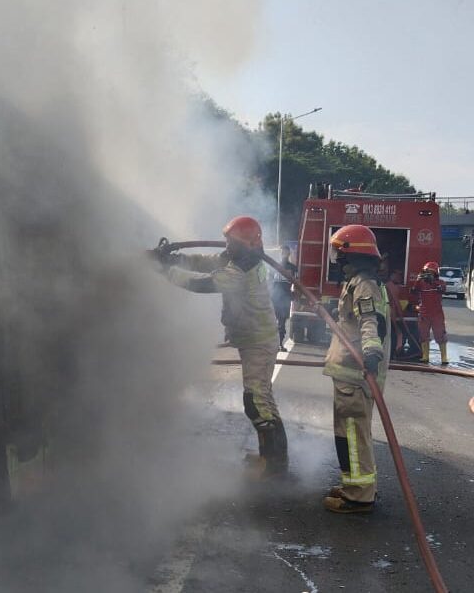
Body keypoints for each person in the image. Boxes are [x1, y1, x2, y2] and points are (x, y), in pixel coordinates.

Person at [150, 216, 288, 479]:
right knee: (263, 400)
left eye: (230, 240)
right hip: (255, 337)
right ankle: (271, 459)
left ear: (244, 243)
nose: (226, 245)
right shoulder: (240, 258)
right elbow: (205, 261)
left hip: (258, 341)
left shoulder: (241, 271)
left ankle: (273, 466)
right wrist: (174, 258)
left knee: (256, 401)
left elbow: (203, 283)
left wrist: (166, 272)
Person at [322, 225, 390, 514]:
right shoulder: (357, 282)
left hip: (356, 374)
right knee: (347, 435)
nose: (336, 258)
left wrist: (371, 351)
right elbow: (353, 320)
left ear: (353, 255)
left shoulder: (364, 284)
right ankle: (354, 485)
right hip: (347, 374)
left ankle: (359, 497)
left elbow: (369, 322)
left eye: (340, 252)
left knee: (353, 435)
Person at [411, 261, 448, 365]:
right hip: (424, 313)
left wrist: (433, 282)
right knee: (423, 335)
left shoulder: (440, 282)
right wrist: (418, 280)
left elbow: (443, 289)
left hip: (437, 314)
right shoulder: (421, 283)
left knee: (440, 335)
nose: (428, 275)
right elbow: (414, 291)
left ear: (436, 273)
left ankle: (444, 358)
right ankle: (425, 356)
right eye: (426, 272)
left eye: (431, 273)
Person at [269, 245, 297, 351]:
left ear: (289, 254)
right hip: (274, 298)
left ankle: (279, 343)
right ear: (280, 254)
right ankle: (272, 343)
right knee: (272, 322)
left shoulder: (293, 268)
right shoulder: (274, 266)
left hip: (285, 298)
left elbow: (297, 283)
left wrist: (294, 295)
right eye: (283, 253)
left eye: (286, 253)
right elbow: (269, 281)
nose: (284, 255)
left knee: (281, 322)